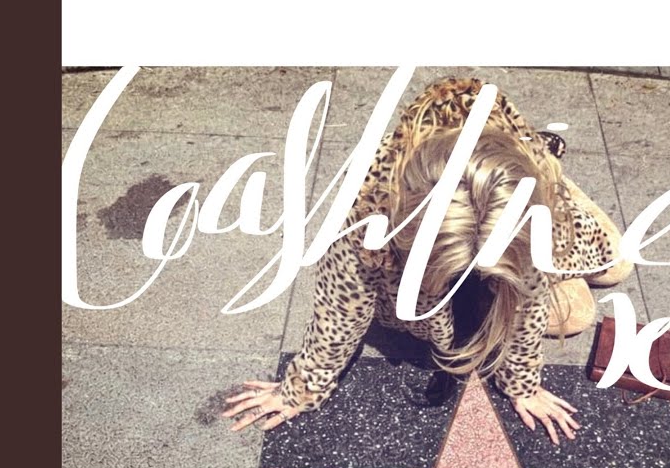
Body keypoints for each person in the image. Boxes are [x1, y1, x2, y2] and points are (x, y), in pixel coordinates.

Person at [221, 76, 633, 445]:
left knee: (616, 266)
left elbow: (528, 303)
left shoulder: (528, 216)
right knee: (578, 315)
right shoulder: (368, 209)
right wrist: (301, 388)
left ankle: (550, 166)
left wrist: (522, 386)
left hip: (527, 186)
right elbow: (340, 307)